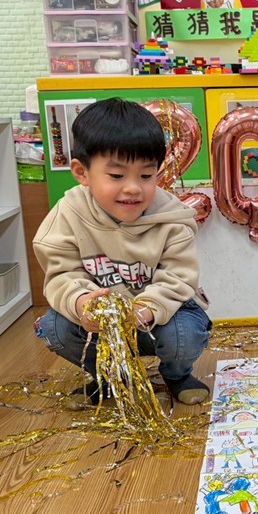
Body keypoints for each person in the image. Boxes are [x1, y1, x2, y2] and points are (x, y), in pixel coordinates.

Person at [33, 98, 212, 405]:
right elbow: (61, 275)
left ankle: (177, 375)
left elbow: (179, 278)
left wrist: (144, 310)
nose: (133, 188)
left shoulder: (171, 217)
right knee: (54, 327)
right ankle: (111, 377)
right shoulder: (68, 214)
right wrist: (81, 303)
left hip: (160, 318)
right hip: (100, 326)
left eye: (146, 175)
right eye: (117, 176)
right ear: (82, 172)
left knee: (185, 332)